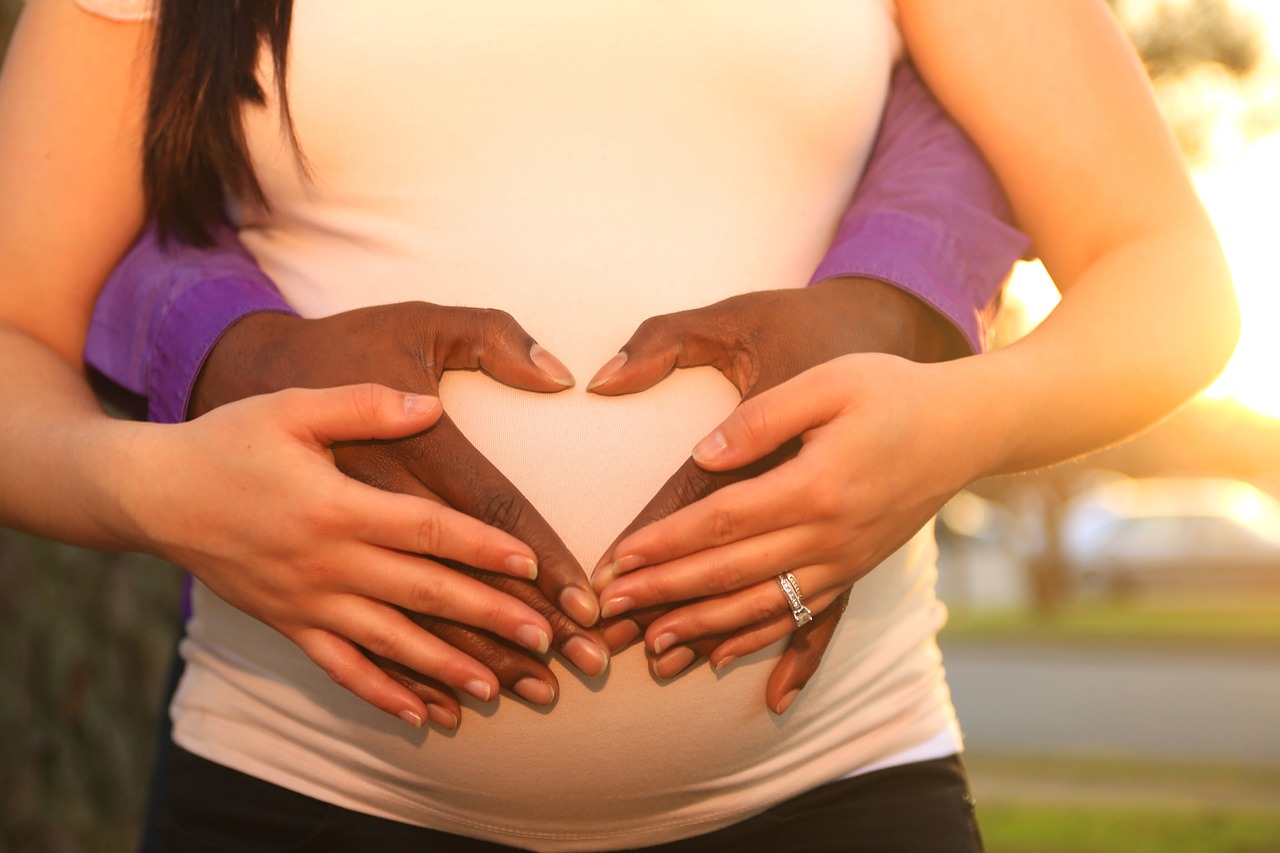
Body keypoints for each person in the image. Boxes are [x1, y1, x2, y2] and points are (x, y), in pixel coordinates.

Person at [0, 1, 1237, 851]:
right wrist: (152, 489)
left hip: (830, 784)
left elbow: (1168, 274)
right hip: (298, 781)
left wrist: (965, 417)